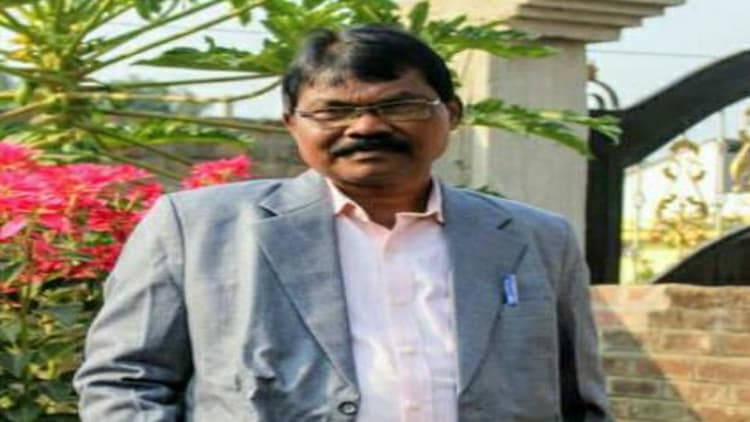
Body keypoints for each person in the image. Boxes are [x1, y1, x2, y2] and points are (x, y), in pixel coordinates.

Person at [74, 25, 611, 421]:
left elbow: (578, 401)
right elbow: (125, 381)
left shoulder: (536, 239)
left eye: (400, 105)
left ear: (451, 114)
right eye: (333, 111)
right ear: (292, 124)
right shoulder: (198, 230)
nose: (367, 127)